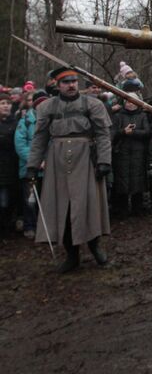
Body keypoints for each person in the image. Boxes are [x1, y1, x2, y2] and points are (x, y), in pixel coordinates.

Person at [25, 68, 112, 273]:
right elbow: (39, 139)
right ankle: (72, 255)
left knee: (88, 205)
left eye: (74, 81)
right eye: (66, 82)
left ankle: (94, 246)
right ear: (57, 85)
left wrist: (104, 161)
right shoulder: (47, 107)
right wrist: (32, 165)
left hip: (85, 160)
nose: (71, 85)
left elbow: (102, 134)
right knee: (62, 208)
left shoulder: (93, 104)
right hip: (57, 161)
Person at [111, 93, 152, 217]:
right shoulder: (117, 116)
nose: (130, 104)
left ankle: (137, 208)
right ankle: (122, 209)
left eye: (133, 101)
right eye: (128, 101)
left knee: (138, 180)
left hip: (138, 152)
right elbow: (113, 133)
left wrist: (132, 132)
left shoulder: (142, 115)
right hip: (122, 152)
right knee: (122, 181)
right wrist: (123, 131)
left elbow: (147, 132)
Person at [15, 90, 48, 239]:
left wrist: (47, 160)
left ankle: (45, 227)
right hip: (29, 169)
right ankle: (30, 226)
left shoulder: (51, 121)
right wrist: (36, 161)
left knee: (45, 199)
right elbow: (20, 144)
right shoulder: (25, 121)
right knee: (30, 200)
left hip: (48, 169)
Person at [0, 92, 19, 237]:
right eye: (2, 103)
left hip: (11, 167)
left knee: (7, 202)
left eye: (8, 103)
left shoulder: (16, 122)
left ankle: (7, 228)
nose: (6, 106)